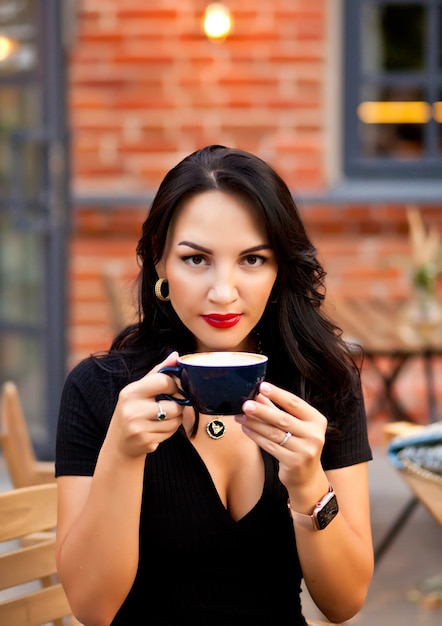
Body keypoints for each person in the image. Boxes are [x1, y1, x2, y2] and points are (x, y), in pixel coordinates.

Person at [55, 145, 374, 626]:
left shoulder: (324, 384)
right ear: (160, 262)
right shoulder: (100, 391)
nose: (223, 292)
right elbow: (93, 609)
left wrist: (310, 482)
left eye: (251, 259)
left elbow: (344, 602)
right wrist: (121, 454)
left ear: (279, 269)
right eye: (196, 259)